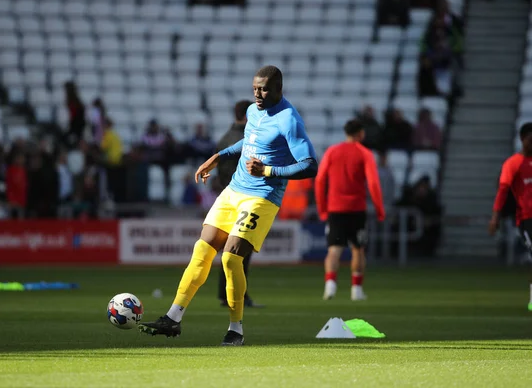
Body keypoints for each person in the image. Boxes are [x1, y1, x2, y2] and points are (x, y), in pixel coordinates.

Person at [139, 65, 318, 346]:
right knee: (202, 248)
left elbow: (309, 166)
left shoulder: (289, 120)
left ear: (279, 89)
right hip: (234, 189)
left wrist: (268, 171)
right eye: (255, 89)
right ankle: (173, 318)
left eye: (264, 89)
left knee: (231, 257)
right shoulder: (252, 111)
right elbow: (248, 143)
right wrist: (218, 156)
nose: (258, 94)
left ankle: (236, 329)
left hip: (261, 197)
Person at [315, 120, 385, 301]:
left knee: (334, 249)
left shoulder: (332, 151)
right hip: (356, 209)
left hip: (335, 209)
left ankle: (330, 286)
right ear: (360, 133)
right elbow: (373, 183)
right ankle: (356, 290)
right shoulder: (365, 153)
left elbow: (320, 180)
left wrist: (322, 208)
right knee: (358, 249)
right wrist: (379, 209)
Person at [214, 99, 264, 308]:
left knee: (230, 249)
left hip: (227, 198)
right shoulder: (248, 139)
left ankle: (225, 294)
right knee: (242, 251)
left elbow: (220, 171)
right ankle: (237, 296)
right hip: (245, 199)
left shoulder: (224, 139)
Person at [489, 122, 532, 311]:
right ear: (522, 139)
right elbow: (503, 191)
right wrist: (495, 217)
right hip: (526, 219)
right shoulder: (513, 164)